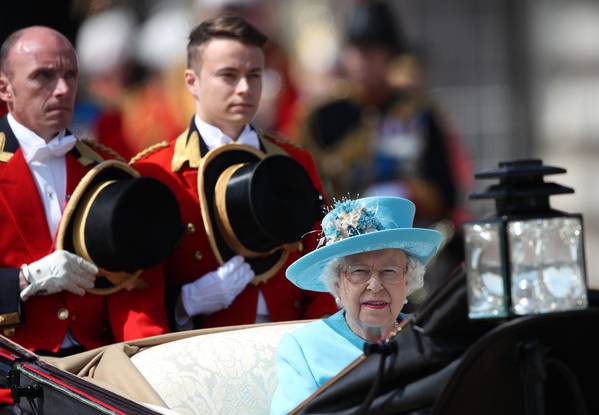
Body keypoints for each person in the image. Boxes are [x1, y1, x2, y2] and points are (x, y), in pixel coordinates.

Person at [131, 15, 337, 330]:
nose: (244, 89)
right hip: (199, 351)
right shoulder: (155, 172)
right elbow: (137, 298)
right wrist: (185, 302)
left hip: (294, 342)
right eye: (228, 75)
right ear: (192, 82)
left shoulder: (295, 160)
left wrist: (319, 341)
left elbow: (325, 265)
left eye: (254, 75)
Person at [0, 26, 169, 355]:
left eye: (70, 75)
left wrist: (146, 358)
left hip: (95, 367)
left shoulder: (106, 168)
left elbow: (134, 282)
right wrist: (25, 279)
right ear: (5, 88)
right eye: (43, 76)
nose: (62, 89)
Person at [298, 0, 471, 298]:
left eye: (375, 52)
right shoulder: (322, 118)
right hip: (344, 245)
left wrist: (407, 193)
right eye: (358, 52)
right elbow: (306, 189)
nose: (365, 62)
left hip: (413, 243)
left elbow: (446, 190)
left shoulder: (420, 113)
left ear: (390, 56)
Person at [270, 196, 443, 414]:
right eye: (358, 271)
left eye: (389, 271)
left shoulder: (428, 338)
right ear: (336, 283)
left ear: (408, 280)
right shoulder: (304, 348)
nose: (375, 285)